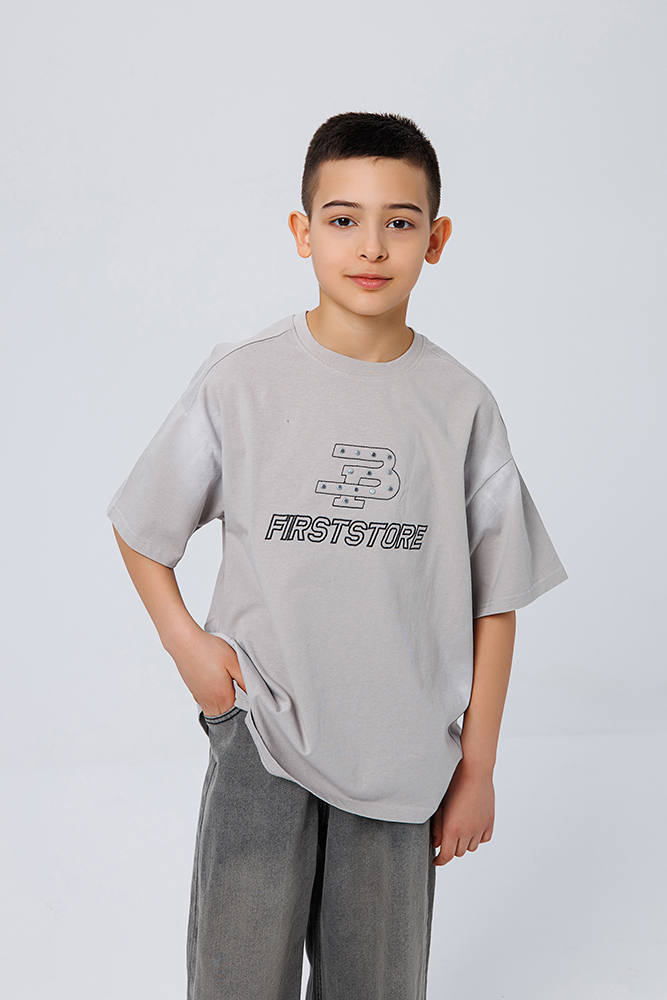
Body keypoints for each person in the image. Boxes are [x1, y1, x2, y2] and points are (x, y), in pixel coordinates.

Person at [107, 111, 568, 1000]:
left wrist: (477, 767)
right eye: (343, 218)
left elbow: (496, 598)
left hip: (404, 754)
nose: (371, 245)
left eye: (400, 221)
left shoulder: (460, 405)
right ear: (302, 231)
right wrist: (187, 646)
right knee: (237, 977)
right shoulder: (242, 379)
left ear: (435, 239)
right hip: (263, 732)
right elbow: (140, 525)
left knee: (377, 984)